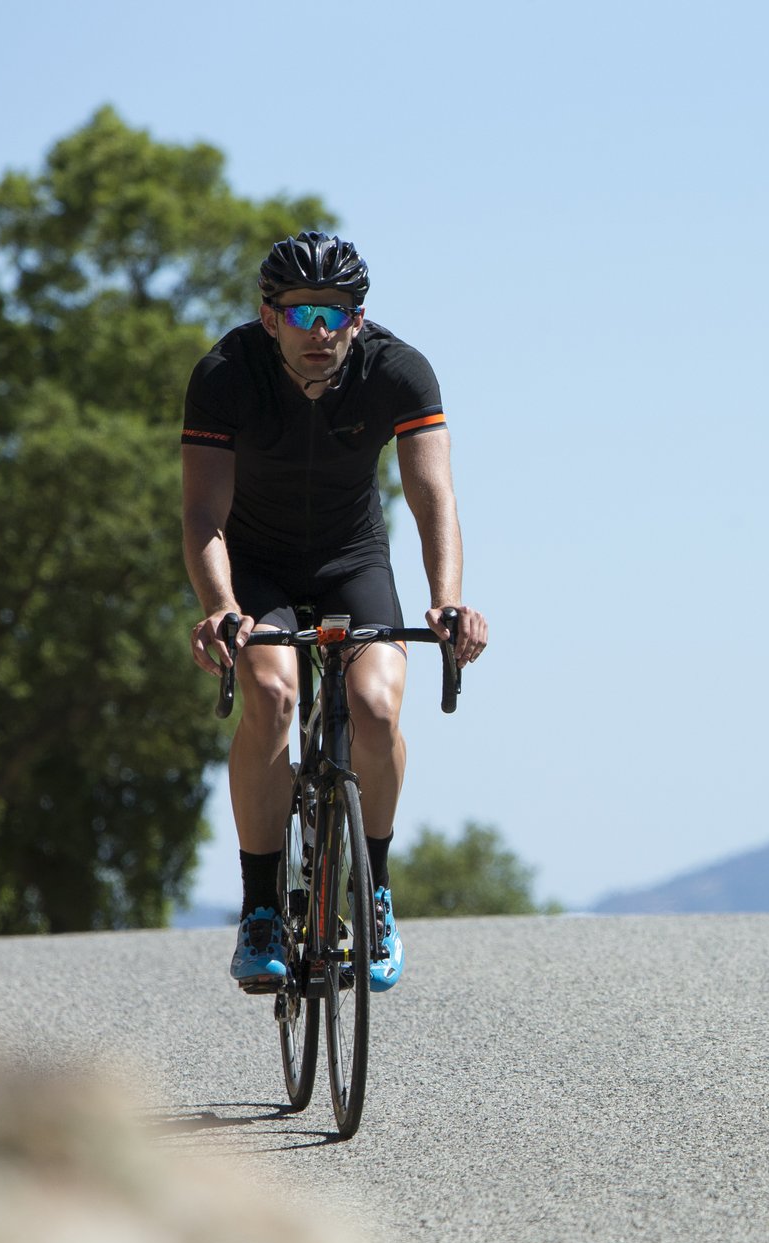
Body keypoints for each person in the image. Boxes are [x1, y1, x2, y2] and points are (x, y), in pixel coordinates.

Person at [181, 231, 489, 994]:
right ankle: (259, 910)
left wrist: (447, 600)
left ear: (358, 318)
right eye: (300, 313)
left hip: (353, 558)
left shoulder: (399, 370)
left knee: (377, 710)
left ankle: (374, 892)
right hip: (256, 566)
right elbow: (202, 514)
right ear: (268, 316)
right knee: (275, 695)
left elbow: (432, 498)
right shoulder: (225, 373)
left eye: (336, 313)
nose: (318, 331)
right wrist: (221, 608)